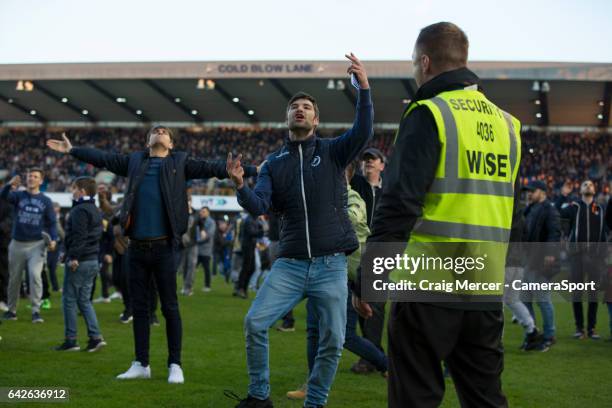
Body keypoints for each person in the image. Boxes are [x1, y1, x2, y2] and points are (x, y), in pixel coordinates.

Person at [352, 22, 521, 407]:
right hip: (483, 287)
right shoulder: (508, 125)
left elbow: (398, 205)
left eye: (414, 63)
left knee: (415, 398)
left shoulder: (429, 112)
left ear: (425, 62)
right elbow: (512, 210)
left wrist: (371, 279)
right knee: (486, 399)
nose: (414, 71)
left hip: (427, 287)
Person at [46, 126, 256, 384]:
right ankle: (141, 363)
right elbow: (103, 158)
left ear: (170, 143)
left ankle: (175, 364)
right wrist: (72, 150)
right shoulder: (135, 161)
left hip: (164, 247)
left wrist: (257, 170)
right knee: (140, 308)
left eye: (164, 131)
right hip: (136, 247)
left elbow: (213, 167)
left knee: (170, 307)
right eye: (155, 131)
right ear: (148, 142)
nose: (159, 131)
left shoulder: (180, 161)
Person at [226, 52, 372, 408]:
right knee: (255, 324)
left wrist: (364, 89)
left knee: (333, 340)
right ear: (287, 118)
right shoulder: (273, 164)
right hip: (290, 264)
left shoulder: (334, 151)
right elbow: (259, 206)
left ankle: (315, 402)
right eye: (295, 107)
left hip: (330, 265)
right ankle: (259, 397)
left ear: (316, 119)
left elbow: (363, 130)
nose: (301, 110)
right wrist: (241, 186)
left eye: (307, 107)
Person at [287, 161, 387, 401]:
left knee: (346, 337)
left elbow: (350, 218)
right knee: (313, 330)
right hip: (320, 272)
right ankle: (312, 385)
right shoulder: (322, 199)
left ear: (346, 177)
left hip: (345, 277)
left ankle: (388, 364)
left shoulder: (353, 199)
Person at [55, 177, 106, 352]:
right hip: (92, 259)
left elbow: (79, 236)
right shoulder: (95, 209)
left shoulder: (79, 210)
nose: (72, 191)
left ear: (82, 191)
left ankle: (71, 340)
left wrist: (73, 256)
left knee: (69, 299)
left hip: (81, 260)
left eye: (74, 188)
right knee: (84, 300)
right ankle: (95, 337)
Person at [1, 170, 58, 323]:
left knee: (34, 276)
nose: (31, 178)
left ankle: (36, 311)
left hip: (36, 244)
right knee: (14, 279)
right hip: (17, 243)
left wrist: (54, 239)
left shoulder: (45, 200)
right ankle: (11, 310)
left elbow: (52, 223)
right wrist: (9, 185)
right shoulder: (18, 195)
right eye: (30, 176)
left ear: (41, 181)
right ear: (26, 179)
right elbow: (3, 196)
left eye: (35, 177)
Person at [349, 147, 386, 374]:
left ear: (382, 165)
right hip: (357, 251)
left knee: (376, 305)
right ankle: (374, 354)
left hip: (382, 250)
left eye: (373, 160)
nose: (369, 163)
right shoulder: (356, 185)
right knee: (360, 301)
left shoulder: (390, 190)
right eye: (366, 160)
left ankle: (371, 357)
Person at [556, 180, 607, 339]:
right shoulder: (574, 207)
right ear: (580, 190)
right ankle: (579, 328)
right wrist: (563, 195)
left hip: (595, 257)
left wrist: (603, 257)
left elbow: (603, 233)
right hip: (576, 256)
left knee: (593, 294)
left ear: (595, 189)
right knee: (577, 293)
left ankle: (591, 329)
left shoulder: (599, 209)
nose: (588, 186)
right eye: (585, 184)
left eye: (591, 185)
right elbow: (557, 212)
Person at [522, 180, 561, 348]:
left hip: (539, 261)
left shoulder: (549, 209)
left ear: (543, 192)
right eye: (528, 191)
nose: (529, 193)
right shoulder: (530, 208)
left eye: (533, 190)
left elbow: (555, 232)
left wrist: (550, 253)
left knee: (543, 300)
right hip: (527, 261)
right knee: (525, 300)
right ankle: (533, 334)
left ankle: (549, 335)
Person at [178, 197, 199, 296]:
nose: (187, 203)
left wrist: (203, 230)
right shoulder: (180, 213)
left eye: (188, 201)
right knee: (185, 266)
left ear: (191, 202)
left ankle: (188, 287)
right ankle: (185, 286)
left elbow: (201, 224)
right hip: (183, 244)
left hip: (193, 244)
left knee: (192, 265)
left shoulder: (196, 214)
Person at [195, 206, 216, 292]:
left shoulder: (211, 222)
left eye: (203, 211)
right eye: (201, 211)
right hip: (196, 249)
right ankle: (188, 286)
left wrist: (197, 241)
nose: (201, 213)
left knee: (206, 268)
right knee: (192, 268)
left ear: (208, 212)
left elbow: (209, 235)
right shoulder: (198, 221)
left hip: (206, 249)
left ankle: (207, 286)